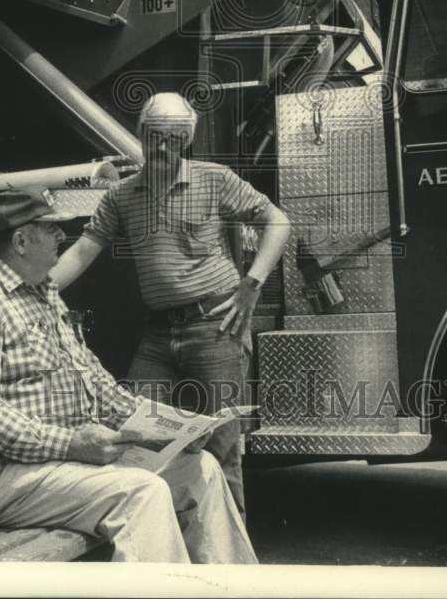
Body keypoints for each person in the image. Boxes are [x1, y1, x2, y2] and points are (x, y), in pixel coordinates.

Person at [0, 188, 257, 564]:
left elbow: (100, 387)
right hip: (2, 479)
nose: (60, 236)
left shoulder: (45, 296)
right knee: (141, 492)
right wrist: (70, 443)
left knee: (202, 470)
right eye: (50, 228)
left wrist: (171, 432)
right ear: (21, 240)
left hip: (64, 466)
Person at [51, 93, 291, 518]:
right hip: (159, 334)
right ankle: (167, 543)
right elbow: (83, 251)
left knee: (221, 445)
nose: (163, 149)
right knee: (140, 433)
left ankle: (229, 569)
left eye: (174, 140)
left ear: (186, 141)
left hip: (216, 328)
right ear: (142, 135)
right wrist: (30, 288)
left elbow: (278, 220)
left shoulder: (214, 179)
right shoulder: (121, 196)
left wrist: (251, 285)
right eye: (154, 138)